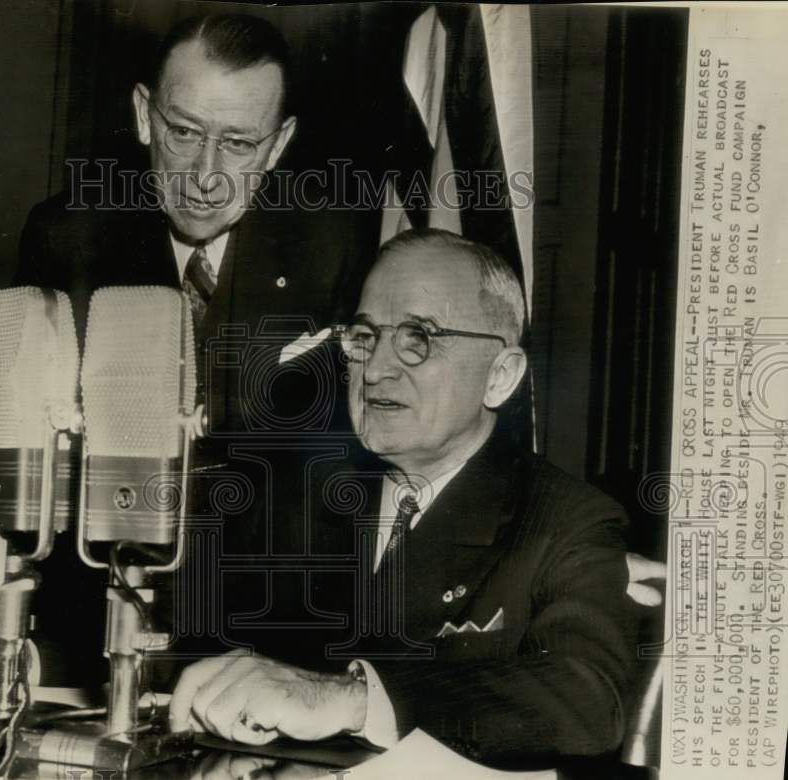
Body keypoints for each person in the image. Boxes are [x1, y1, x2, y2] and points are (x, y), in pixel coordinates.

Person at [169, 229, 636, 768]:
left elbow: (588, 699)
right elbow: (187, 650)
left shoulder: (565, 521)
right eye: (365, 337)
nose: (377, 369)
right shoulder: (288, 495)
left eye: (419, 338)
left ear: (500, 377)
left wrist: (351, 699)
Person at [16, 13, 375, 686]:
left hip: (268, 644)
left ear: (278, 145)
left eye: (240, 144)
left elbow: (348, 470)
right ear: (145, 114)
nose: (206, 176)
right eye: (184, 132)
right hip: (95, 634)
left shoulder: (334, 243)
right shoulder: (66, 236)